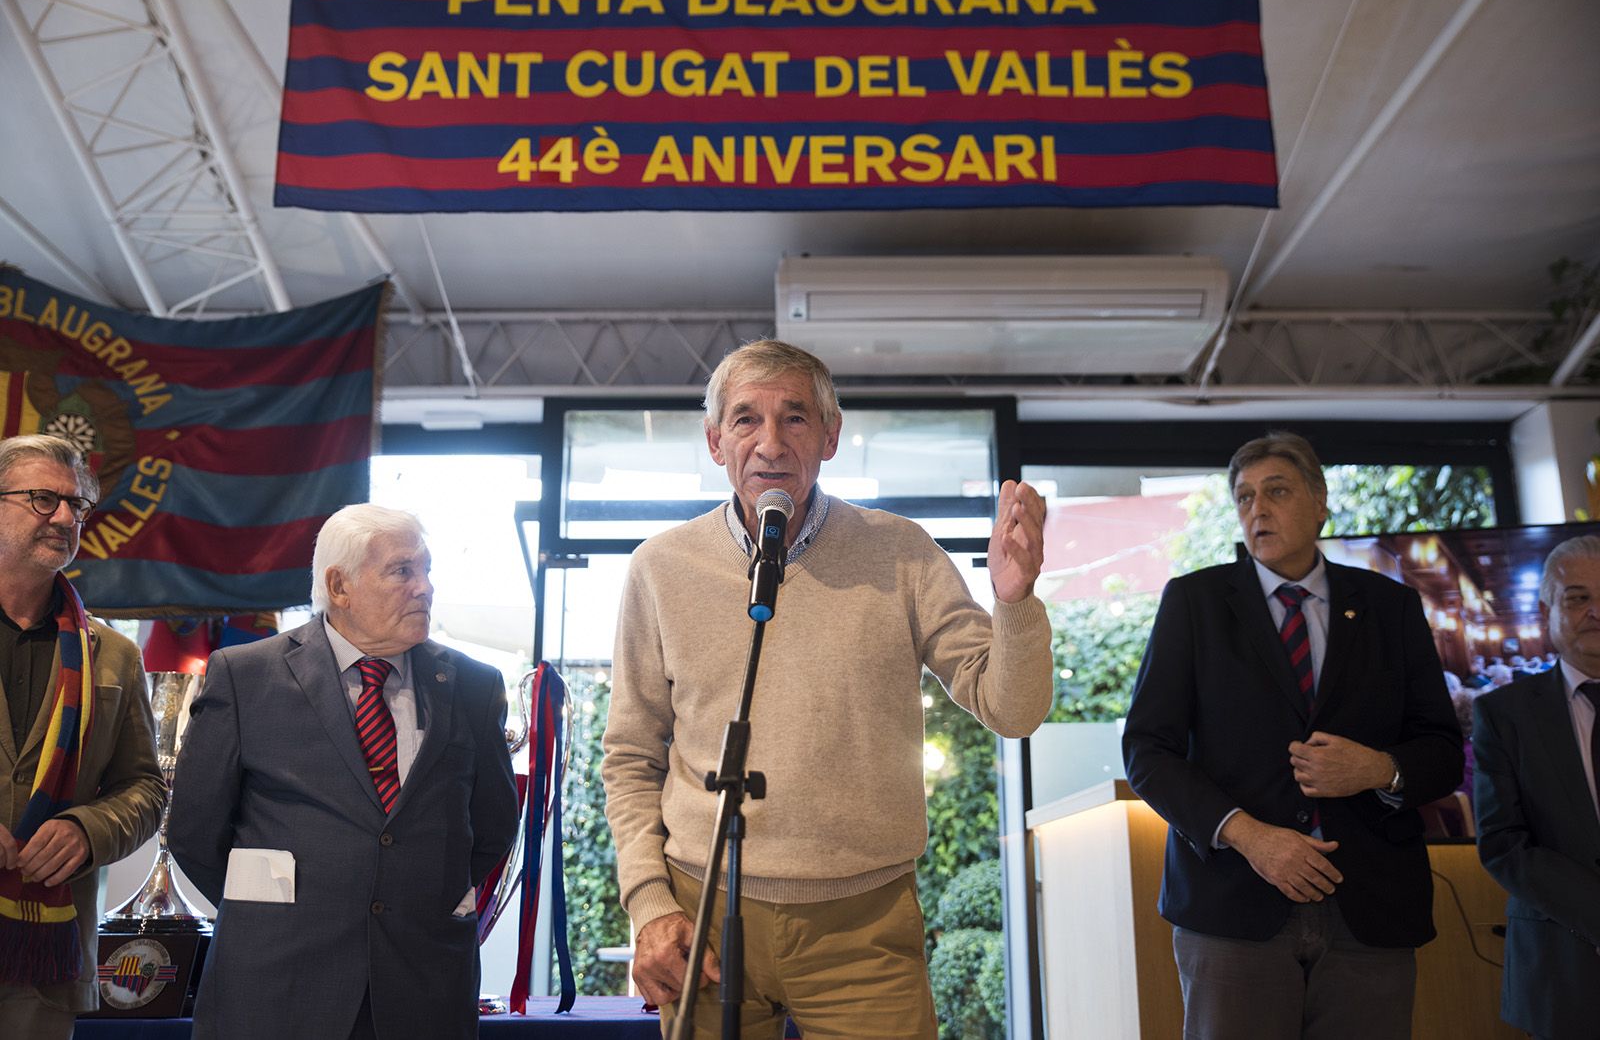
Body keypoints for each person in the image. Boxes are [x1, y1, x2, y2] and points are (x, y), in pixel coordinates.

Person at [601, 340, 1053, 1038]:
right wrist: (649, 903)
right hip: (705, 913)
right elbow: (631, 756)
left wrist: (1015, 602)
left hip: (863, 923)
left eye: (796, 418)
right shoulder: (661, 568)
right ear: (715, 441)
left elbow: (1012, 709)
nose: (771, 443)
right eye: (746, 420)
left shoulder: (902, 553)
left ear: (831, 436)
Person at [1121, 431, 1462, 1039]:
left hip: (1371, 908)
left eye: (1276, 491)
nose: (1258, 509)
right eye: (1245, 497)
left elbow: (1442, 749)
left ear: (1321, 499)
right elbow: (1148, 751)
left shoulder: (1391, 606)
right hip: (1233, 907)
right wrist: (1249, 837)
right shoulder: (1194, 603)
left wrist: (1380, 769)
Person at [168, 504, 518, 1040]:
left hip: (424, 990)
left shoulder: (472, 686)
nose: (424, 588)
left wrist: (413, 896)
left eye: (426, 570)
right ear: (339, 585)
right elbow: (195, 833)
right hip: (275, 989)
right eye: (402, 571)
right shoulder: (246, 676)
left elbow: (492, 828)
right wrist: (283, 912)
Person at [0, 434, 165, 1038]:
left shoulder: (115, 655)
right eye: (45, 499)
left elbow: (145, 788)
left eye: (79, 505)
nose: (67, 517)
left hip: (45, 957)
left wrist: (87, 830)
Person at [1473, 534, 1600, 1039]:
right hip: (1562, 970)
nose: (1595, 611)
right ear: (1546, 608)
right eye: (1578, 597)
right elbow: (1503, 844)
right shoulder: (1504, 715)